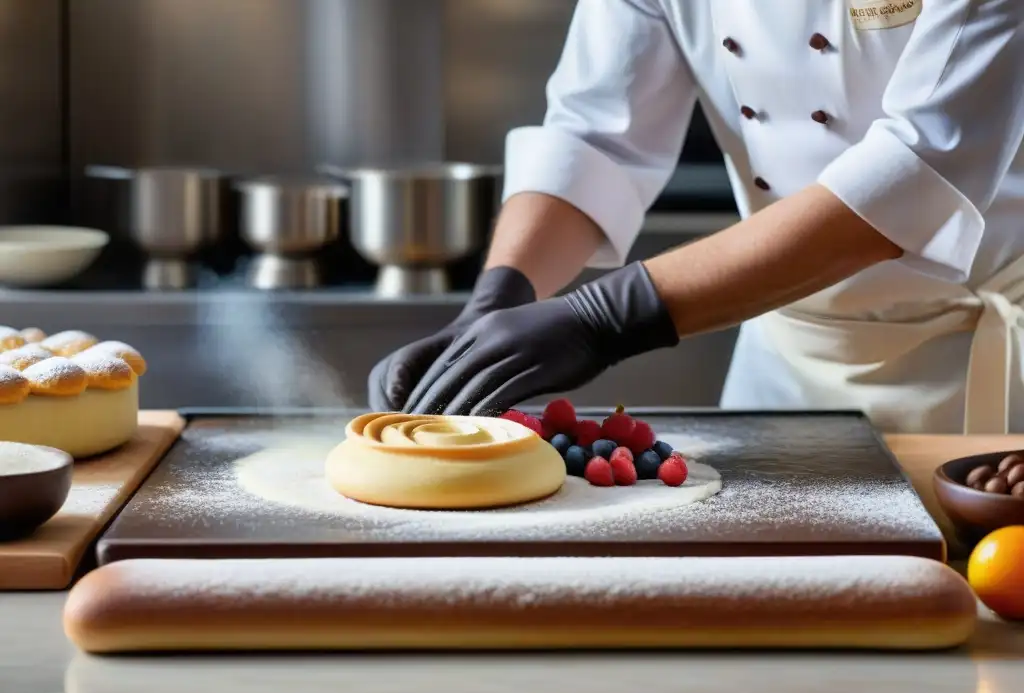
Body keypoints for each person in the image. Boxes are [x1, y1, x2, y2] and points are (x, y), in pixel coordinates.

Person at [368, 0, 1024, 434]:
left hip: (980, 370)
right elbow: (598, 135)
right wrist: (500, 295)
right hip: (786, 368)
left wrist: (606, 317)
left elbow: (915, 170)